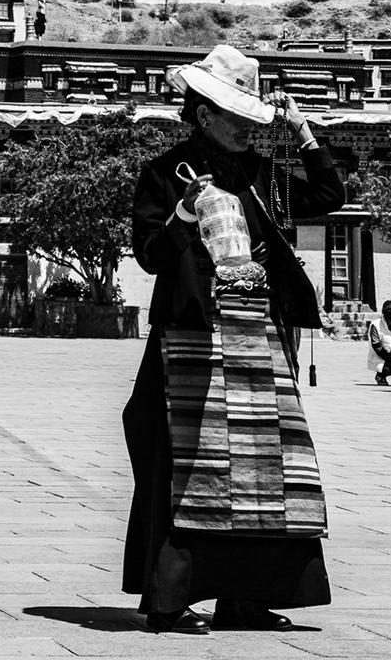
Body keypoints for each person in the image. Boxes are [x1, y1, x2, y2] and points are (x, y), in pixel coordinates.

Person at [121, 44, 346, 635]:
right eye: (238, 118)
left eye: (254, 118)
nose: (250, 128)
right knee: (187, 467)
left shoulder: (261, 176)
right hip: (189, 334)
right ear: (203, 115)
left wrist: (302, 133)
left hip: (259, 335)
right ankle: (170, 601)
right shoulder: (164, 175)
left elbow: (330, 198)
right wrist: (185, 219)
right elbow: (149, 256)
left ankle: (245, 597)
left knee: (264, 468)